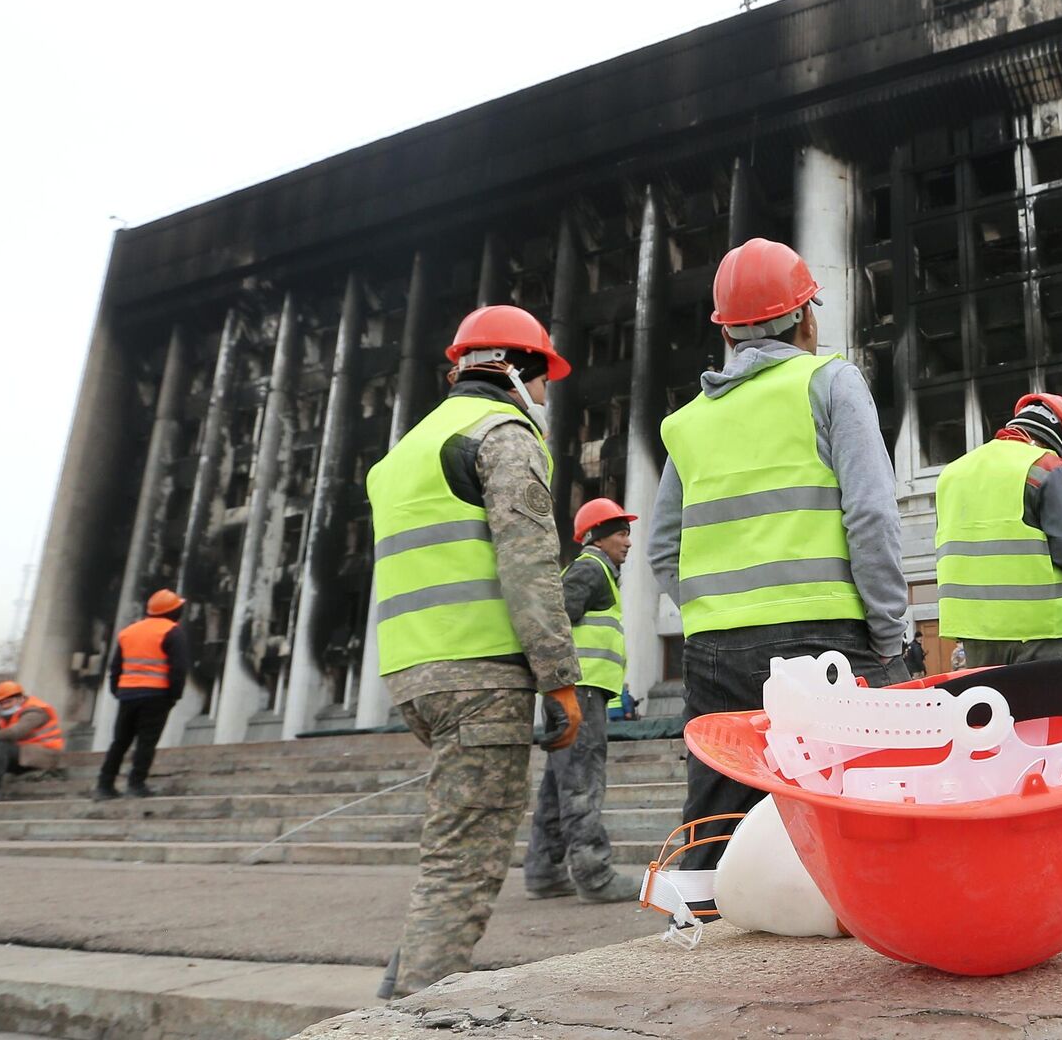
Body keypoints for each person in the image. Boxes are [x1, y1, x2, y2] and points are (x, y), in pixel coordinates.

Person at [650, 237, 909, 870]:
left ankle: (699, 938)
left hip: (715, 652)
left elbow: (661, 547)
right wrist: (890, 633)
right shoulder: (830, 381)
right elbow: (871, 516)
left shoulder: (688, 421)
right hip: (827, 641)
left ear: (728, 332)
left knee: (715, 822)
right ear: (807, 316)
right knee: (854, 806)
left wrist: (709, 610)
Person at [366, 303, 584, 996]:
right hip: (483, 680)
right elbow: (531, 568)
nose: (547, 395)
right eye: (545, 378)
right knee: (464, 866)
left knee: (448, 856)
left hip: (414, 676)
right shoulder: (502, 433)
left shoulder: (404, 454)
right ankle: (412, 1015)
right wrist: (559, 677)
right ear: (516, 369)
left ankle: (397, 993)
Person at [525, 497, 643, 904]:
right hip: (578, 692)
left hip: (570, 691)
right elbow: (555, 622)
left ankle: (544, 870)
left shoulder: (596, 572)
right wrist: (561, 689)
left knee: (559, 782)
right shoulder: (591, 570)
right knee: (582, 780)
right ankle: (594, 875)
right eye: (621, 533)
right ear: (597, 537)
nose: (628, 542)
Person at [936, 392, 1062, 667]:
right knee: (1045, 710)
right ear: (1059, 441)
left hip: (976, 635)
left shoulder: (952, 473)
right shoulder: (1047, 467)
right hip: (1039, 630)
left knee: (994, 709)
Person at [95, 588, 191, 800]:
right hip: (156, 695)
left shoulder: (128, 632)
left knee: (120, 741)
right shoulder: (172, 632)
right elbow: (179, 668)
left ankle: (104, 785)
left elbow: (115, 668)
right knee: (146, 742)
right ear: (175, 611)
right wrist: (174, 696)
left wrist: (118, 692)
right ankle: (136, 784)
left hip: (128, 694)